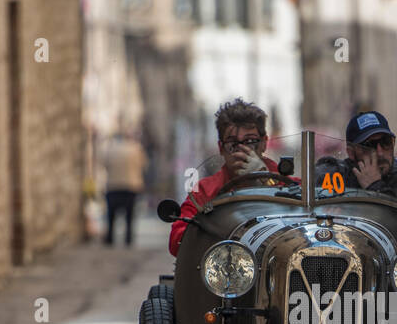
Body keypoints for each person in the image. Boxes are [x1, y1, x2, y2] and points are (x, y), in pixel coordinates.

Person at [169, 98, 279, 256]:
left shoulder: (289, 185)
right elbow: (177, 241)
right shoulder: (206, 191)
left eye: (250, 141)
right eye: (232, 143)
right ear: (221, 148)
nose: (242, 150)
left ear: (264, 143)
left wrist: (266, 179)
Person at [314, 110, 397, 212]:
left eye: (386, 142)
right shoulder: (334, 175)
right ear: (351, 152)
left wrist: (375, 187)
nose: (380, 153)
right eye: (369, 145)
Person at [100, 126, 147, 246]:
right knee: (129, 216)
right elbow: (143, 164)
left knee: (111, 215)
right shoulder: (136, 148)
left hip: (113, 185)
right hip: (131, 185)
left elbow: (104, 164)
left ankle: (110, 237)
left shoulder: (110, 148)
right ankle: (128, 239)